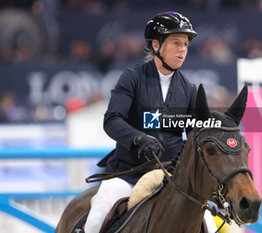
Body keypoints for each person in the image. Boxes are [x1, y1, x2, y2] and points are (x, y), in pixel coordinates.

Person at [84, 11, 217, 233]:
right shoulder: (132, 77)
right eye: (176, 42)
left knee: (210, 227)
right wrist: (137, 137)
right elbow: (112, 120)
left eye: (185, 43)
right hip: (128, 174)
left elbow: (198, 134)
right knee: (99, 215)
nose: (182, 49)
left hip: (172, 177)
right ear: (156, 45)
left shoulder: (190, 89)